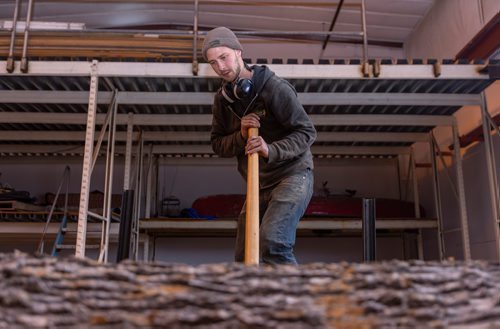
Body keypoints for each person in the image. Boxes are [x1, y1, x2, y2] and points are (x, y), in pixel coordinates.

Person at [202, 27, 317, 265]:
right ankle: (254, 300)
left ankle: (298, 301)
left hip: (292, 175)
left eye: (224, 57)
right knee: (245, 254)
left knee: (272, 242)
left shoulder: (274, 88)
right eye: (213, 62)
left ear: (238, 52)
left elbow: (306, 132)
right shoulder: (222, 101)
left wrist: (270, 150)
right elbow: (218, 144)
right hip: (259, 183)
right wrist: (241, 135)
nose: (221, 67)